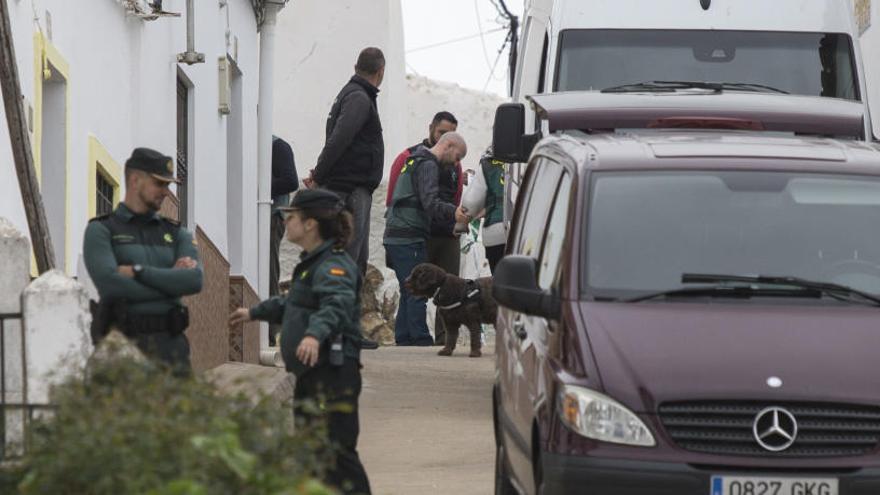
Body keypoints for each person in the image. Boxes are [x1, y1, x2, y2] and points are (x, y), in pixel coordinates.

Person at [229, 189, 371, 495]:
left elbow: (335, 304)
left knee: (337, 453)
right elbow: (295, 303)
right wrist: (254, 312)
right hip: (313, 373)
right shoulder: (312, 263)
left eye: (291, 217)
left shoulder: (334, 265)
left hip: (332, 373)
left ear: (310, 224)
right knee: (314, 452)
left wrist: (312, 335)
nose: (286, 222)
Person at [83, 147, 203, 376]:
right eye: (159, 184)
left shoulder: (178, 234)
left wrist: (139, 272)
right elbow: (111, 285)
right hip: (124, 350)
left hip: (172, 350)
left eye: (168, 185)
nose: (166, 192)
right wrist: (171, 284)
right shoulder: (101, 230)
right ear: (135, 180)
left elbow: (194, 280)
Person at [305, 47, 386, 276]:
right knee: (348, 259)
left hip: (344, 187)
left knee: (353, 257)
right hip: (350, 190)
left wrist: (319, 174)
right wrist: (318, 175)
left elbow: (337, 140)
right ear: (381, 71)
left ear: (355, 67)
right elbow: (340, 139)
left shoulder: (352, 94)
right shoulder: (359, 97)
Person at [383, 132, 470, 346]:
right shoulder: (428, 165)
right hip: (408, 236)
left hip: (395, 234)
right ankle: (420, 338)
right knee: (418, 289)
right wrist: (454, 212)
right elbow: (430, 202)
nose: (456, 164)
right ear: (448, 145)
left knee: (407, 288)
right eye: (458, 157)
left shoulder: (413, 160)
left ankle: (404, 338)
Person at [270, 135, 299, 345]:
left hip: (271, 217)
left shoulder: (277, 146)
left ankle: (271, 330)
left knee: (268, 271)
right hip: (257, 218)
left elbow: (290, 181)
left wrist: (256, 185)